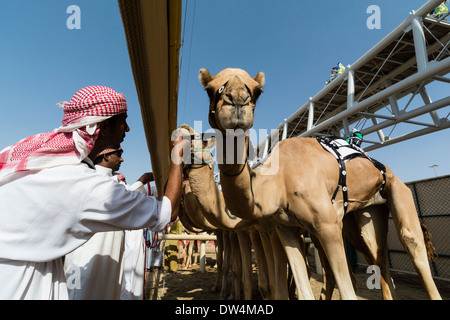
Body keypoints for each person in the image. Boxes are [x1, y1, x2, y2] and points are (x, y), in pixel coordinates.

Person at [0, 86, 188, 299]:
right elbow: (167, 212)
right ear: (105, 126)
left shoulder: (37, 167)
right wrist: (178, 155)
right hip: (22, 284)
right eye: (122, 121)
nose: (127, 129)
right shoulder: (85, 185)